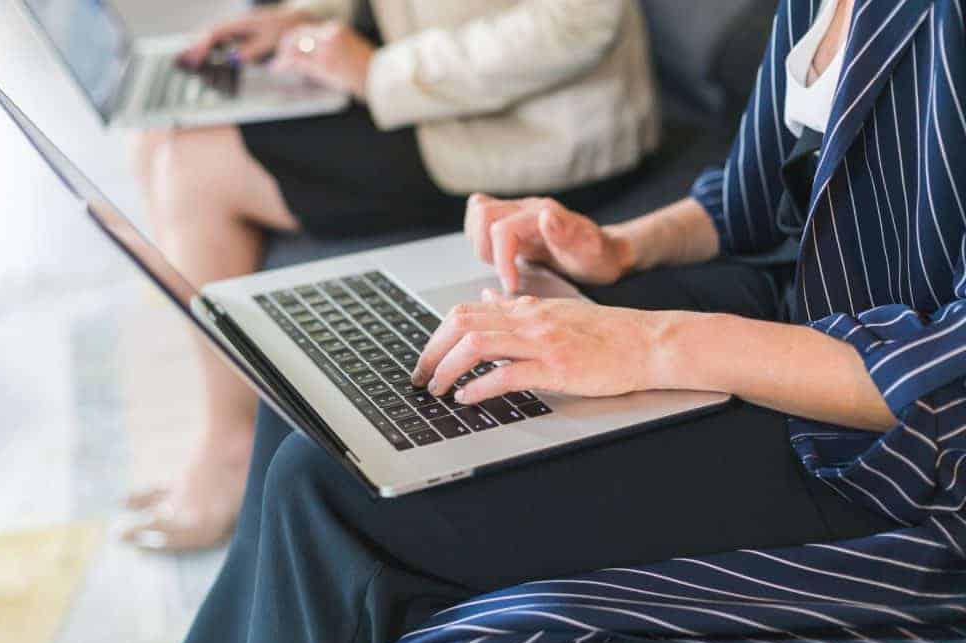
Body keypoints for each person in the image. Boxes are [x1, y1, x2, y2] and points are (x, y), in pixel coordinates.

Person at [183, 0, 966, 643]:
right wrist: (617, 246)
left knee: (323, 485)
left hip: (889, 455)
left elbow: (946, 381)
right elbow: (751, 195)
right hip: (792, 313)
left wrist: (648, 343)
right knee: (309, 395)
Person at [124, 0, 659, 551]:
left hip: (534, 125)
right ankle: (232, 429)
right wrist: (304, 20)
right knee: (160, 137)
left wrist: (378, 72)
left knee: (193, 169)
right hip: (427, 91)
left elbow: (584, 20)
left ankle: (230, 446)